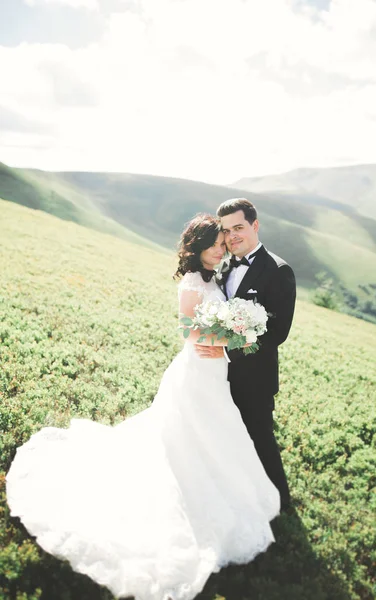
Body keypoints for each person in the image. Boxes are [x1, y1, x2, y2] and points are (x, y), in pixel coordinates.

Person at [6, 213, 280, 600]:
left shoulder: (214, 275)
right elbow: (188, 329)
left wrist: (236, 331)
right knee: (188, 430)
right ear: (199, 247)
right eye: (216, 243)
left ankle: (216, 483)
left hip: (216, 370)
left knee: (214, 431)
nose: (222, 248)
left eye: (223, 242)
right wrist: (229, 334)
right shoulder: (191, 281)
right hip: (197, 368)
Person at [195, 199, 296, 510]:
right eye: (226, 231)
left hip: (254, 377)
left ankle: (281, 502)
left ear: (255, 225)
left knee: (260, 437)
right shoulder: (224, 266)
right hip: (218, 376)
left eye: (238, 228)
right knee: (224, 434)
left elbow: (276, 333)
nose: (231, 236)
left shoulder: (278, 271)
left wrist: (226, 352)